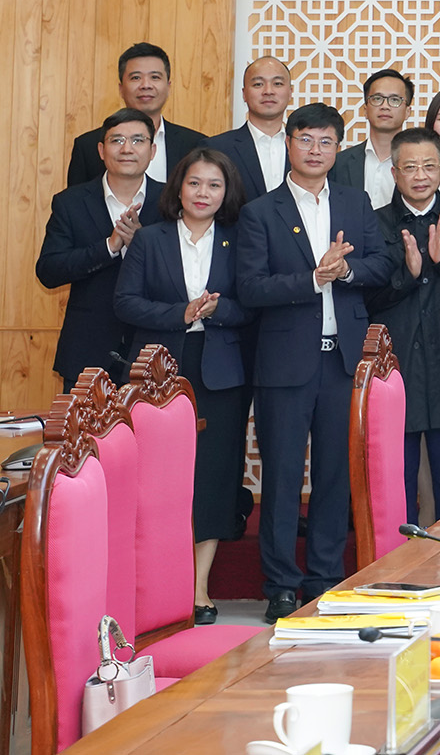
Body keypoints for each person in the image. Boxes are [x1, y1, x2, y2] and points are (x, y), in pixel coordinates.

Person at [239, 103, 392, 621]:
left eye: (326, 142)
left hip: (343, 362)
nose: (315, 150)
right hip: (285, 363)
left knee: (335, 475)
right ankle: (281, 583)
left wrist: (345, 272)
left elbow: (382, 263)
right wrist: (312, 280)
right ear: (289, 143)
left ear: (337, 149)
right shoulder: (261, 211)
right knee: (282, 477)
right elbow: (250, 287)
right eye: (305, 139)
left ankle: (325, 577)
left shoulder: (355, 202)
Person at [111, 146, 251, 624]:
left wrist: (218, 310)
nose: (203, 193)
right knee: (155, 478)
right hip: (158, 370)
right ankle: (153, 585)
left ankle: (198, 589)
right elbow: (125, 302)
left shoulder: (238, 239)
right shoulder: (150, 239)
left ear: (226, 192)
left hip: (219, 372)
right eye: (194, 183)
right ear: (179, 187)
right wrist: (181, 313)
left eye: (214, 185)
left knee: (211, 478)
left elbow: (251, 304)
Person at [373, 127, 440, 525]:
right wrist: (408, 275)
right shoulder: (375, 223)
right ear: (394, 172)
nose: (421, 175)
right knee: (395, 479)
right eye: (410, 167)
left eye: (429, 166)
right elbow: (365, 300)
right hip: (395, 364)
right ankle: (397, 554)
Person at [39, 109, 162, 387]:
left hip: (153, 350)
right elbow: (49, 270)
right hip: (87, 352)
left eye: (138, 140)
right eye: (117, 140)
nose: (127, 149)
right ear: (101, 150)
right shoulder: (70, 202)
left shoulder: (172, 201)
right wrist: (109, 246)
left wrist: (142, 246)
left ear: (152, 150)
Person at [66, 42, 206, 187]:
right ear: (121, 89)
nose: (146, 85)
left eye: (155, 77)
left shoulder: (195, 144)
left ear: (168, 87)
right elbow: (76, 199)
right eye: (136, 78)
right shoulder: (87, 146)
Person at [209, 57, 292, 195]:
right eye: (258, 84)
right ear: (244, 94)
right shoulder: (216, 148)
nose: (268, 91)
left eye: (277, 84)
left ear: (290, 92)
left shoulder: (306, 147)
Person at [332, 69, 413, 209]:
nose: (385, 106)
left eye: (394, 100)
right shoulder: (338, 163)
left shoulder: (418, 166)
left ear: (407, 112)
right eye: (377, 99)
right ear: (365, 110)